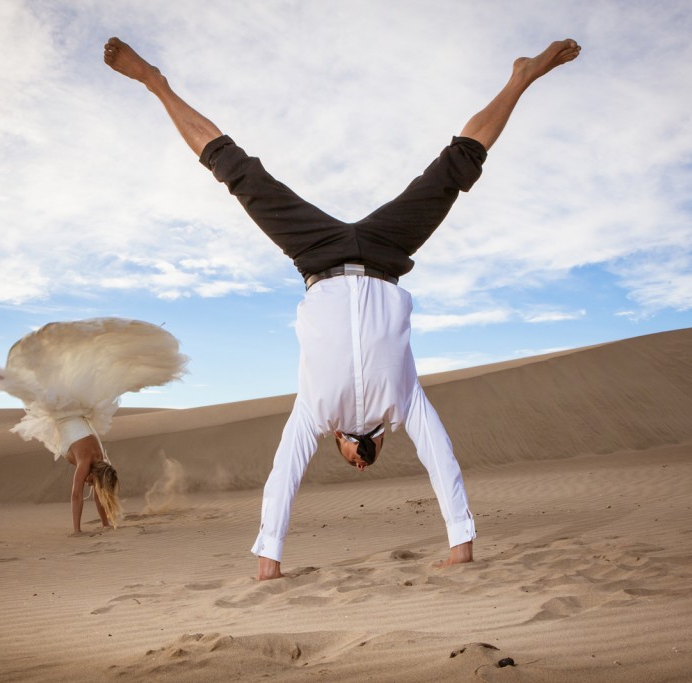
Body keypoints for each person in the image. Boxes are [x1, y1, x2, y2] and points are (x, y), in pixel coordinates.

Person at [103, 35, 581, 579]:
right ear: (360, 445)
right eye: (364, 459)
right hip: (384, 254)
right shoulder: (402, 406)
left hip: (318, 257)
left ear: (337, 442)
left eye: (353, 459)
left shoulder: (315, 411)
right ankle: (520, 77)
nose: (358, 456)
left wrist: (269, 556)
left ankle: (155, 84)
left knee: (237, 173)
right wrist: (460, 540)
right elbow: (440, 457)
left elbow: (285, 473)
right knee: (455, 169)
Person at [0, 317, 188, 534]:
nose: (89, 484)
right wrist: (76, 531)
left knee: (13, 382)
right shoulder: (88, 460)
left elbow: (100, 493)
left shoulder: (102, 460)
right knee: (10, 382)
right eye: (92, 481)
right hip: (60, 408)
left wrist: (106, 523)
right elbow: (76, 495)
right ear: (93, 474)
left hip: (75, 409)